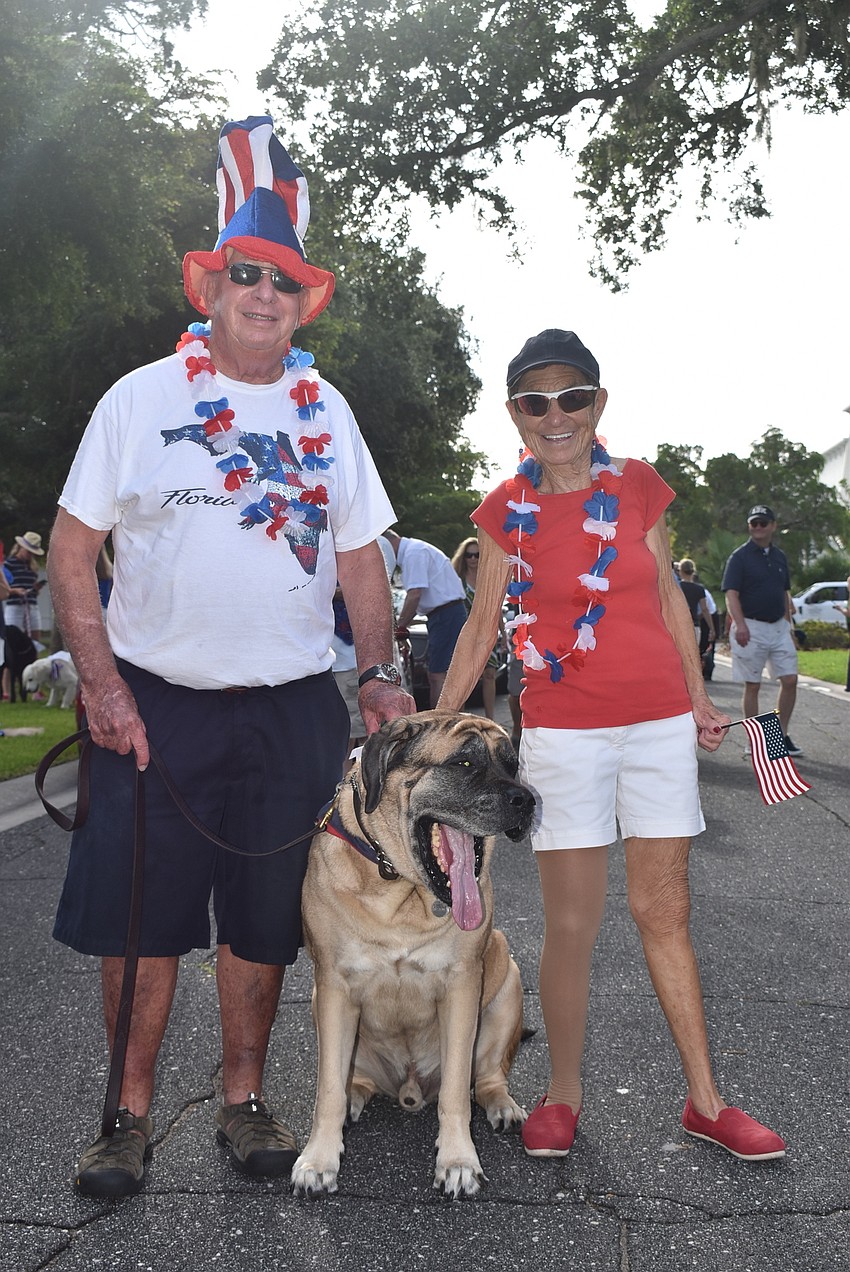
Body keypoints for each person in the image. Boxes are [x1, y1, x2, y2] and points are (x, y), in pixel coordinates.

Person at [47, 116, 413, 1199]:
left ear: (303, 307)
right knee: (140, 919)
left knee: (261, 923)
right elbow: (73, 553)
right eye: (245, 274)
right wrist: (103, 685)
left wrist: (379, 672)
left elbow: (359, 562)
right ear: (210, 289)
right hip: (153, 705)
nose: (263, 294)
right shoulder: (140, 398)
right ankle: (126, 1114)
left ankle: (247, 1099)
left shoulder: (326, 411)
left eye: (284, 283)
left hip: (292, 706)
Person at [438, 329, 785, 1162]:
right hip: (562, 731)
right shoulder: (501, 513)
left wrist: (700, 697)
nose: (555, 415)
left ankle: (706, 1100)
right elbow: (482, 624)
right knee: (572, 921)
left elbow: (669, 593)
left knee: (663, 913)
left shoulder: (638, 488)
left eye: (572, 397)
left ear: (599, 404)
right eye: (535, 401)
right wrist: (435, 725)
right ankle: (561, 1096)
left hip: (659, 723)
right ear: (515, 414)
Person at [721, 505, 802, 755]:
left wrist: (789, 627)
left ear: (773, 526)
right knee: (753, 684)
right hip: (751, 626)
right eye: (753, 523)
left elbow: (784, 592)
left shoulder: (779, 556)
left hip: (778, 626)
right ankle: (755, 741)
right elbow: (731, 593)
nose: (758, 527)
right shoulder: (740, 557)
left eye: (763, 523)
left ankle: (782, 736)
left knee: (790, 679)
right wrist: (740, 624)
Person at [383, 528, 466, 707]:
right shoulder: (414, 550)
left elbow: (415, 595)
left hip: (446, 615)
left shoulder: (414, 553)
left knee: (439, 676)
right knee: (444, 675)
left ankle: (440, 725)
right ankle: (447, 722)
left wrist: (398, 627)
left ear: (388, 544)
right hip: (444, 614)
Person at [450, 535, 505, 719]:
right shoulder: (457, 579)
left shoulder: (487, 578)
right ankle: (459, 719)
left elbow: (496, 608)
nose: (473, 559)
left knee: (490, 674)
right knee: (463, 677)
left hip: (488, 631)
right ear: (463, 557)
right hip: (464, 633)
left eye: (477, 555)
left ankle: (490, 719)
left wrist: (504, 634)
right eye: (469, 555)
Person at [2, 532, 46, 700]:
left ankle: (34, 687)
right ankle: (7, 689)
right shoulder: (8, 565)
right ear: (21, 546)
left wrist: (34, 589)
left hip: (31, 605)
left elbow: (29, 587)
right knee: (11, 648)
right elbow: (3, 588)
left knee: (33, 646)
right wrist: (14, 591)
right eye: (28, 550)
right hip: (14, 606)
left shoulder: (32, 567)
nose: (30, 554)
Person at [676, 558, 713, 647]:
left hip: (677, 624)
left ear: (680, 571)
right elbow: (704, 609)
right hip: (694, 625)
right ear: (693, 571)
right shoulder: (699, 589)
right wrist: (712, 628)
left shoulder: (676, 587)